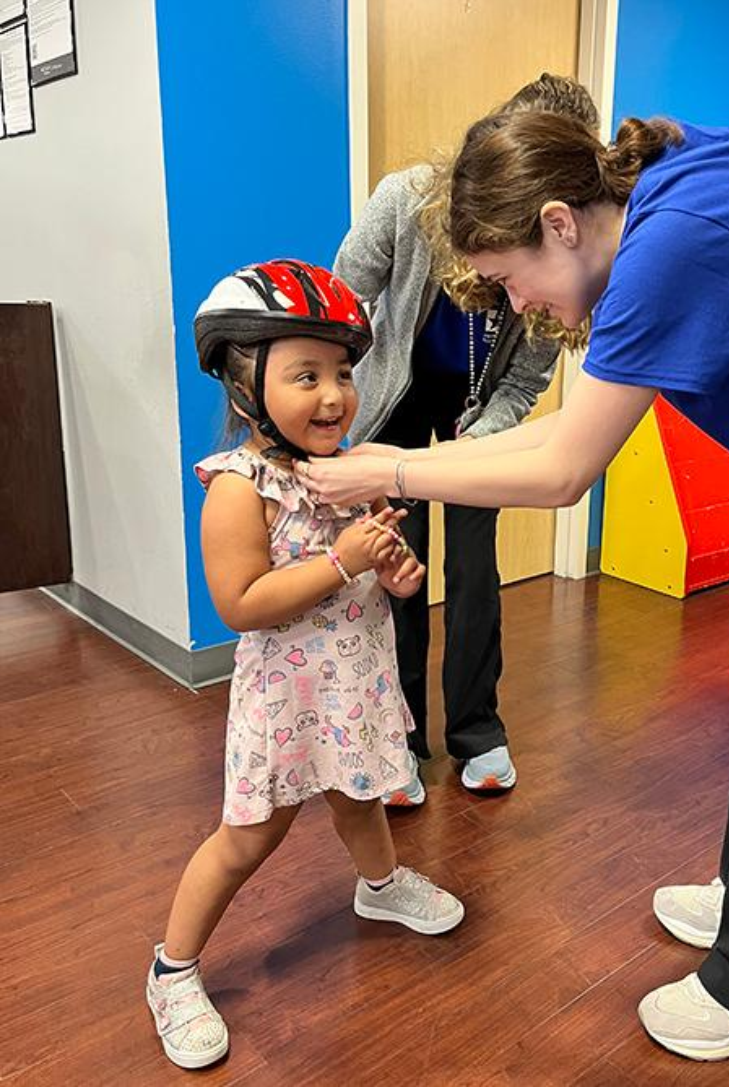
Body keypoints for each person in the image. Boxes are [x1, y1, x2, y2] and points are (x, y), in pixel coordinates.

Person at [297, 114, 729, 1061]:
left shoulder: (670, 252)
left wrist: (392, 474)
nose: (518, 304)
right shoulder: (670, 185)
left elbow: (562, 469)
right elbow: (563, 428)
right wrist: (399, 458)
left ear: (559, 222)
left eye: (508, 277)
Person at [145, 259, 464, 1071]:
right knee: (246, 838)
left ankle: (379, 885)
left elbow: (368, 570)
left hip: (352, 686)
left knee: (360, 798)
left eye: (343, 372)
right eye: (306, 375)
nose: (334, 395)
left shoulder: (342, 474)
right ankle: (171, 968)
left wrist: (391, 570)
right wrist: (343, 562)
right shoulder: (237, 487)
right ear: (245, 386)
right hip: (285, 700)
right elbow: (242, 603)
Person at [333, 74, 598, 804]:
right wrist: (328, 406)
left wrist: (475, 442)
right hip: (396, 402)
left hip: (477, 418)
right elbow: (344, 298)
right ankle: (399, 736)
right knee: (397, 565)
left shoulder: (566, 252)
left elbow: (525, 381)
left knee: (475, 572)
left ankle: (477, 730)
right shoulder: (407, 199)